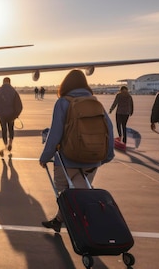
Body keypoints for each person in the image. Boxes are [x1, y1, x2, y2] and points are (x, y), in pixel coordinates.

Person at [39, 70, 114, 232]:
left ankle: (89, 224)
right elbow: (109, 129)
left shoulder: (63, 103)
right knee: (80, 193)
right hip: (92, 158)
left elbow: (55, 133)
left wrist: (45, 156)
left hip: (68, 159)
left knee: (66, 194)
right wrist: (107, 155)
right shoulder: (95, 102)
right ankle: (58, 221)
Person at [0, 77, 23, 156]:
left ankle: (5, 145)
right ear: (9, 82)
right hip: (11, 115)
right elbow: (20, 106)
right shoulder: (14, 91)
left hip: (2, 115)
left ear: (3, 82)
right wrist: (16, 115)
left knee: (4, 130)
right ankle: (10, 142)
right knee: (11, 129)